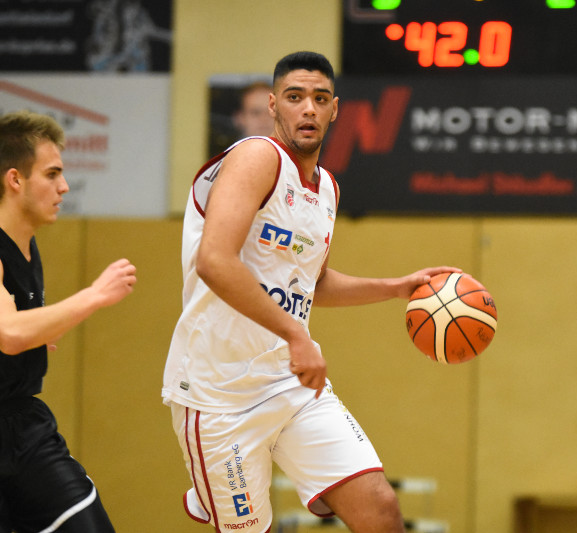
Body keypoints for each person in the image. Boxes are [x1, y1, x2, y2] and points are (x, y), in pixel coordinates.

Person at [163, 51, 459, 533]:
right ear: (274, 105)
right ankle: (211, 486)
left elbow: (311, 282)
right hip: (218, 394)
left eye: (320, 99)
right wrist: (296, 336)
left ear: (335, 109)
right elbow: (215, 261)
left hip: (290, 385)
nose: (308, 109)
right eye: (296, 98)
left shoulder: (326, 190)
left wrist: (396, 287)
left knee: (380, 510)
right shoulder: (257, 156)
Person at [0, 111, 137, 532]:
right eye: (52, 174)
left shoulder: (26, 246)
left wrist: (39, 334)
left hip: (23, 430)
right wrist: (94, 295)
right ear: (15, 179)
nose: (64, 186)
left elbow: (13, 329)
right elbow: (11, 334)